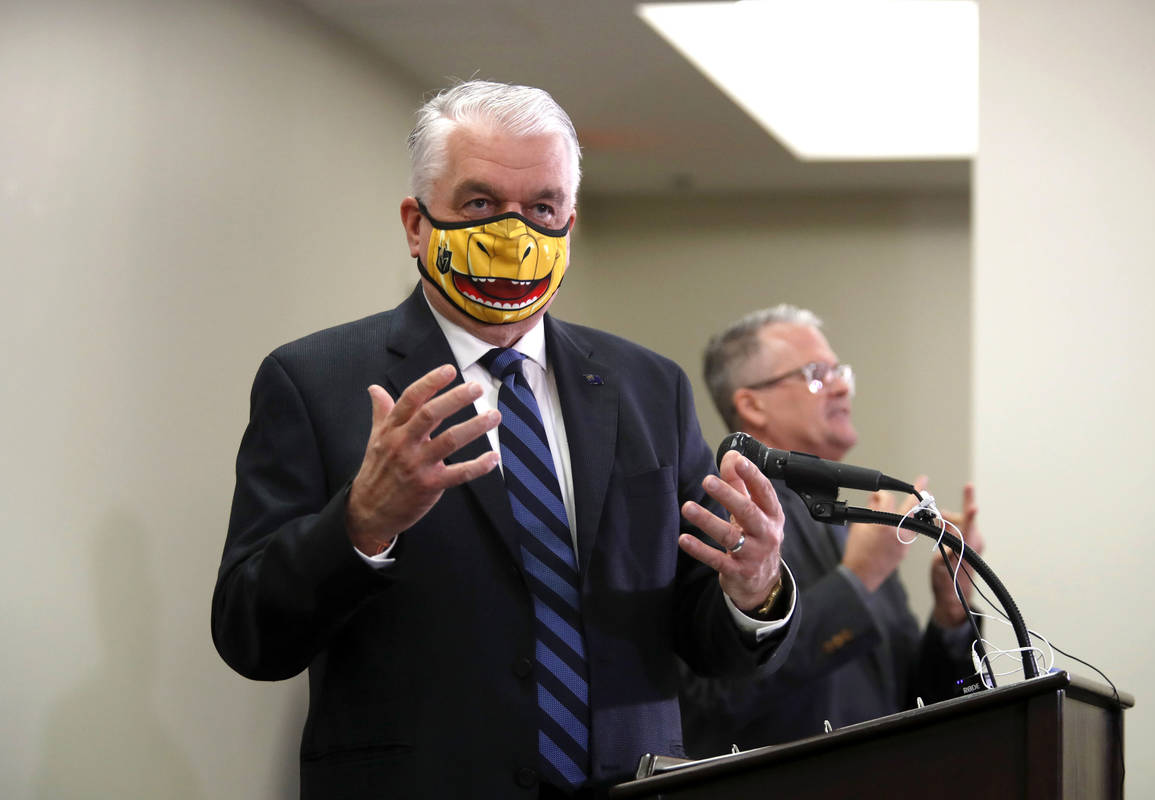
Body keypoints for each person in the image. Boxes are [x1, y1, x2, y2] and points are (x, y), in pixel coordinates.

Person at [211, 81, 798, 799]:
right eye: (481, 204)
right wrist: (361, 522)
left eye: (541, 208)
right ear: (416, 223)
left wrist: (755, 587)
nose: (514, 234)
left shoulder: (651, 388)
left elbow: (700, 637)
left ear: (569, 225)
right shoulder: (315, 382)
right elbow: (249, 634)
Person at [679, 305, 983, 757]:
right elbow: (712, 704)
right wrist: (856, 580)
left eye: (840, 372)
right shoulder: (723, 514)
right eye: (817, 374)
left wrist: (950, 613)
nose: (842, 386)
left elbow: (918, 701)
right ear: (752, 404)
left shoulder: (850, 525)